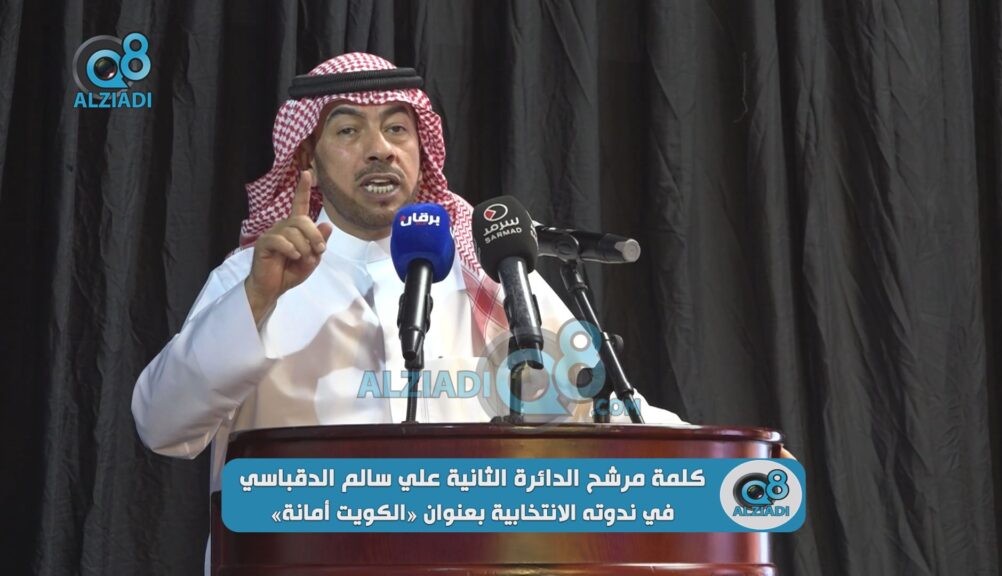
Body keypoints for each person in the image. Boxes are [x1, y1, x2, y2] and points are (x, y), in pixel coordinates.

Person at [132, 52, 686, 572]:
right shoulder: (253, 277)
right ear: (306, 158)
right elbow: (162, 425)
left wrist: (704, 458)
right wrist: (256, 299)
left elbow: (596, 405)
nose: (380, 149)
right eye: (348, 131)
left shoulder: (486, 266)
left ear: (421, 150)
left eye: (397, 128)